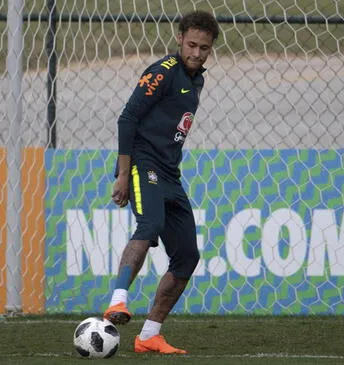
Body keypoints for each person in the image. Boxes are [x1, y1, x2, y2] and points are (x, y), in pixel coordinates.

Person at [103, 10, 220, 353]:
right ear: (179, 39)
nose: (197, 53)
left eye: (204, 48)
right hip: (143, 163)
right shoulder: (163, 71)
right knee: (150, 223)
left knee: (187, 256)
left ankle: (149, 334)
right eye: (192, 45)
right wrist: (124, 174)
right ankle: (118, 300)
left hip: (170, 173)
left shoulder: (197, 78)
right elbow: (128, 118)